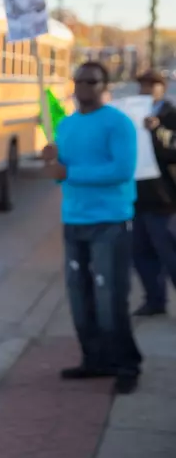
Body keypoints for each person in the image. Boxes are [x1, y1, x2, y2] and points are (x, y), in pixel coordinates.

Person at [42, 61, 141, 394]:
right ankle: (94, 359)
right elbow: (62, 175)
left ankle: (127, 364)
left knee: (110, 297)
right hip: (74, 221)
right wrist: (54, 163)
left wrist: (68, 173)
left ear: (104, 85)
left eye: (92, 81)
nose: (83, 86)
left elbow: (122, 171)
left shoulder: (118, 123)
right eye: (79, 80)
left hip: (110, 222)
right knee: (79, 296)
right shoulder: (66, 125)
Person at [133, 69, 176, 316]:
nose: (147, 89)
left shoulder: (171, 115)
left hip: (165, 197)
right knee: (141, 253)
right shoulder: (135, 116)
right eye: (143, 85)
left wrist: (157, 131)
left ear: (163, 88)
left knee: (169, 253)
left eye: (153, 85)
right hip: (139, 196)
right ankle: (154, 300)